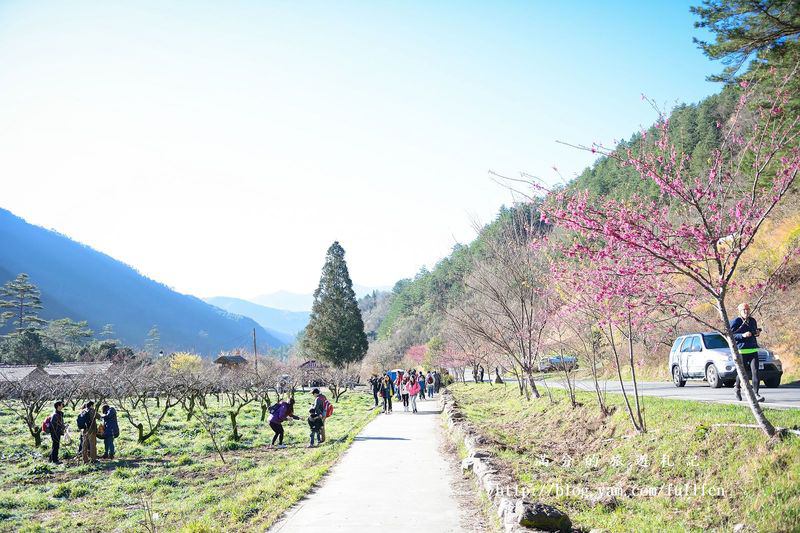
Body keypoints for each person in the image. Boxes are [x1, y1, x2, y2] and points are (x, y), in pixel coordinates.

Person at [731, 302, 765, 402]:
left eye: (747, 309)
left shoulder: (752, 320)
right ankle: (737, 388)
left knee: (755, 372)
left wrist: (756, 333)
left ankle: (756, 394)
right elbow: (731, 335)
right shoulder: (736, 321)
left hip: (753, 349)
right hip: (742, 351)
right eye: (744, 310)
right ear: (740, 311)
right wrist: (742, 335)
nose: (746, 311)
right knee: (743, 372)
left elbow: (754, 332)